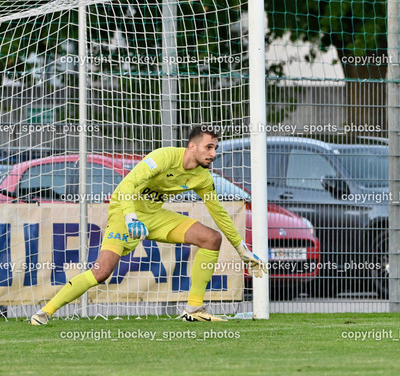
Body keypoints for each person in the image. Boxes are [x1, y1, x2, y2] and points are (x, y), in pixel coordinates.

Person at [30, 126, 266, 325]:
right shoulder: (164, 157)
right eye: (209, 147)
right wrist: (131, 217)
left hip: (154, 216)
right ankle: (44, 312)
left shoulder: (202, 177)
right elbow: (127, 186)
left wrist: (241, 249)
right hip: (124, 212)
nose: (213, 153)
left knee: (211, 239)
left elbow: (218, 212)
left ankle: (194, 310)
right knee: (101, 272)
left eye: (216, 148)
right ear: (192, 147)